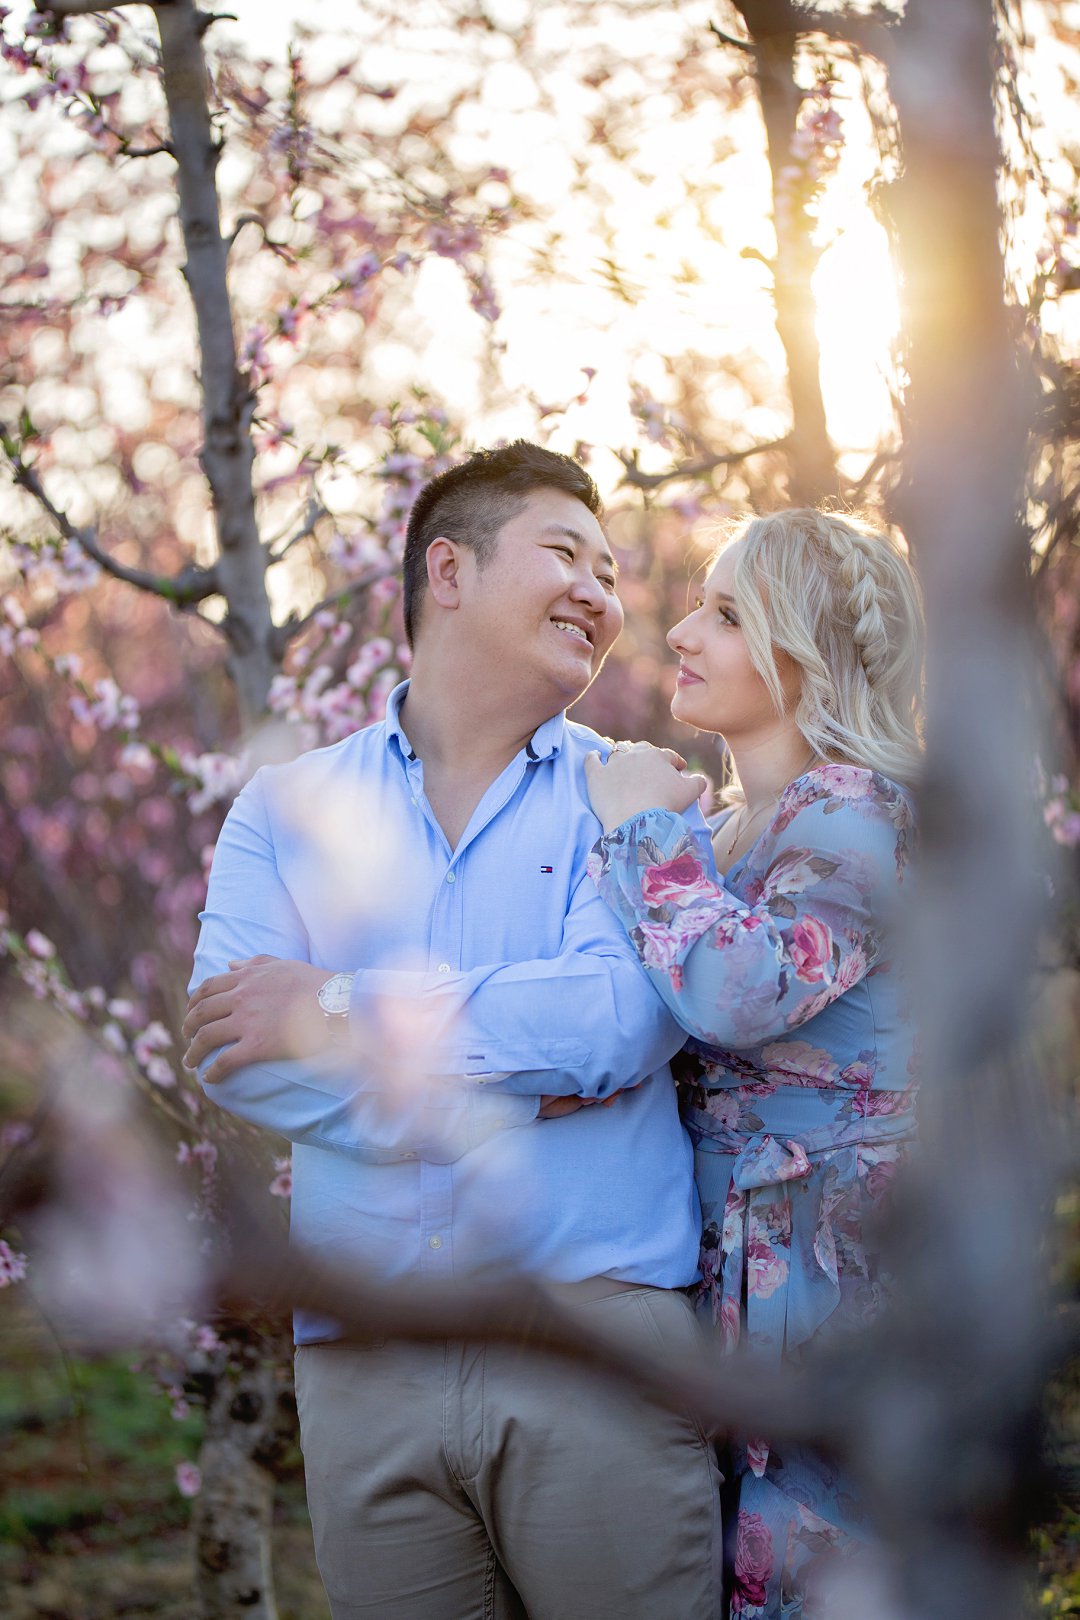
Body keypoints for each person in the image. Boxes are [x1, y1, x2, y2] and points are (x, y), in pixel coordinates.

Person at [182, 441, 723, 1620]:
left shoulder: (632, 798)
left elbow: (617, 1023)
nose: (602, 591)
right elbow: (236, 1052)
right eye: (565, 552)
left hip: (597, 1338)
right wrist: (522, 1085)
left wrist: (332, 1007)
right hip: (365, 1354)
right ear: (450, 570)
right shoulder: (288, 808)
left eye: (611, 569)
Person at [584, 507, 923, 1619]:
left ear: (804, 654)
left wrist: (639, 826)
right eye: (698, 604)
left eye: (726, 615)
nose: (682, 631)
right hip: (719, 1273)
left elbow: (740, 991)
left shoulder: (856, 812)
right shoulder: (727, 828)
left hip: (827, 1285)